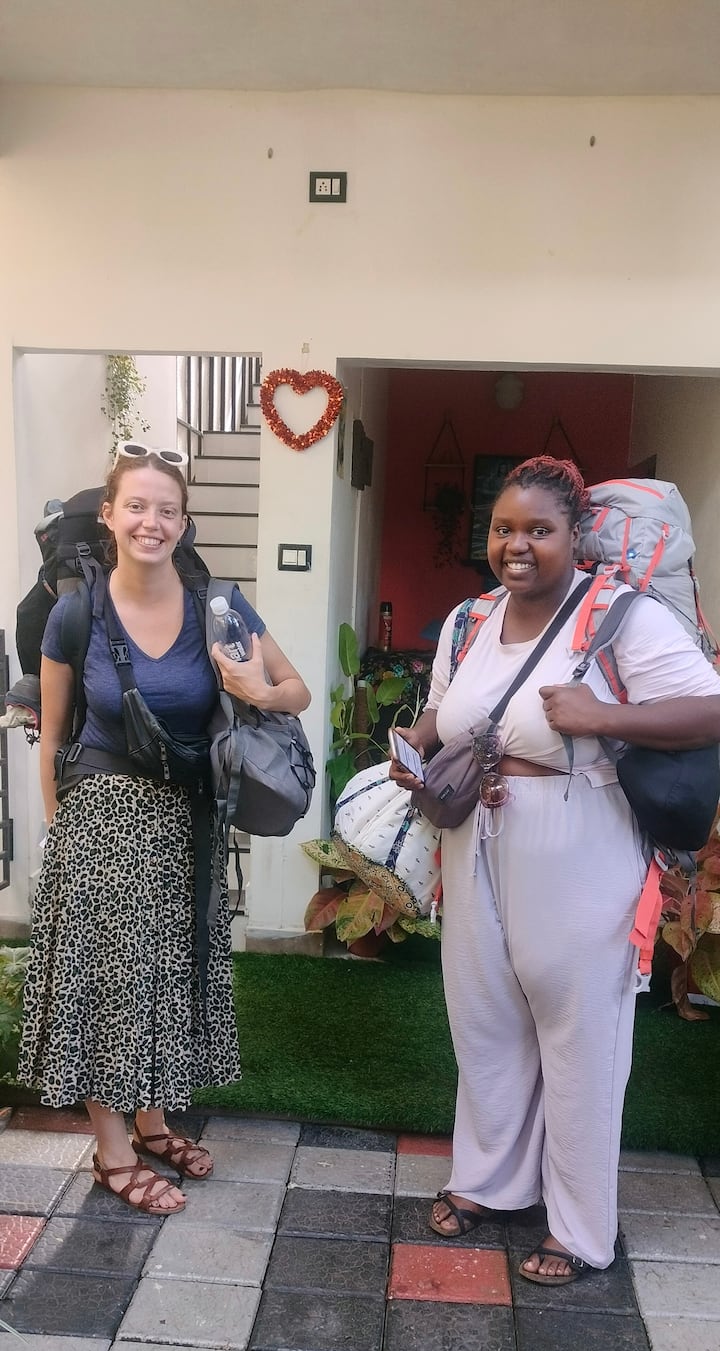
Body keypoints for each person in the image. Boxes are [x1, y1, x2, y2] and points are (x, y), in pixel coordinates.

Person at [390, 455, 720, 1282]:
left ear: (576, 536)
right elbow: (445, 709)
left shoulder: (620, 617)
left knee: (581, 1036)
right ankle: (490, 1182)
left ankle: (578, 1227)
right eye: (504, 529)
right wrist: (416, 745)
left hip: (582, 840)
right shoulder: (470, 619)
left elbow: (712, 708)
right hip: (476, 836)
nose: (518, 545)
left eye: (539, 530)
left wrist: (604, 715)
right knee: (485, 1018)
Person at [18, 445, 310, 1215]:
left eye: (167, 509)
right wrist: (58, 833)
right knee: (109, 983)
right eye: (137, 506)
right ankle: (112, 1152)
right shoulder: (75, 613)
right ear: (110, 515)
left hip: (188, 819)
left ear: (184, 522)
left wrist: (255, 688)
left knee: (167, 975)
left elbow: (297, 691)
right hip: (101, 820)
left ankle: (151, 1124)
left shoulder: (219, 604)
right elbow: (52, 738)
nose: (152, 521)